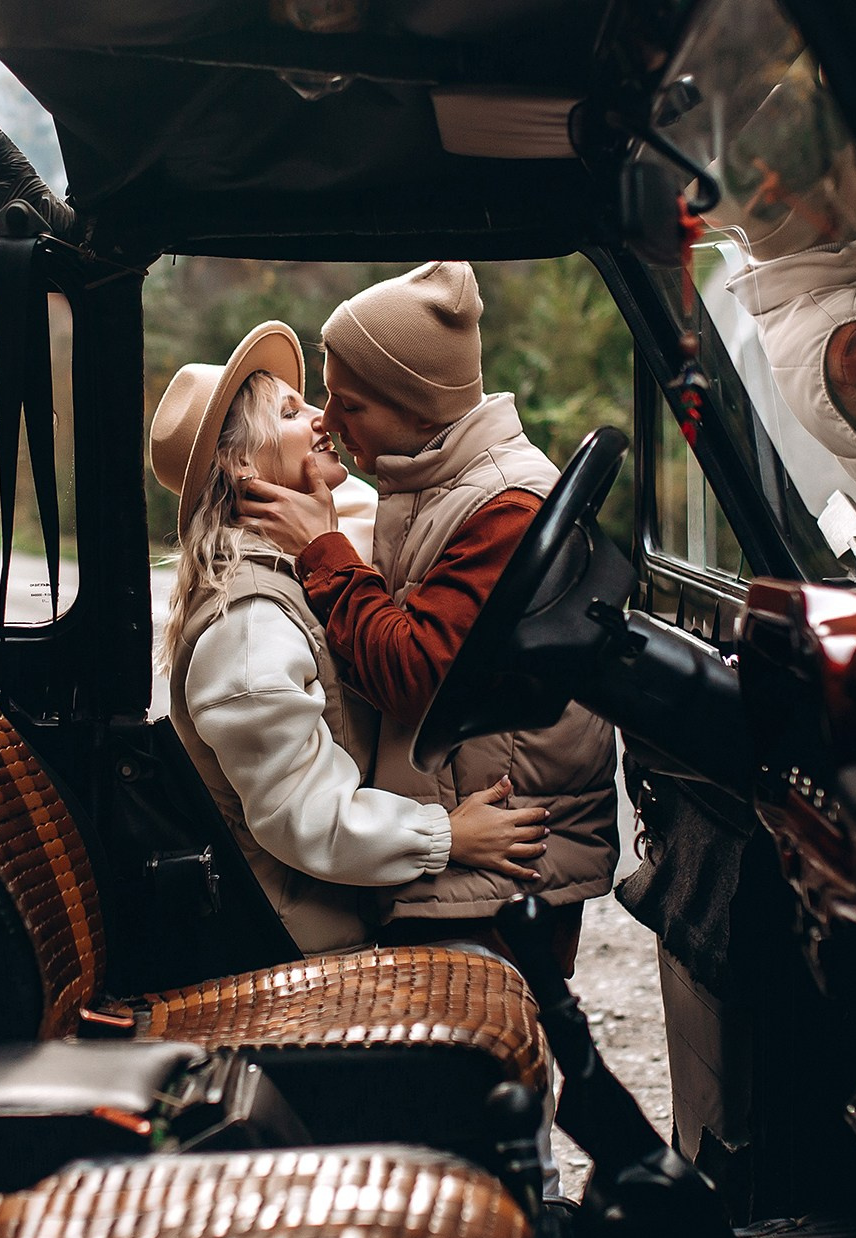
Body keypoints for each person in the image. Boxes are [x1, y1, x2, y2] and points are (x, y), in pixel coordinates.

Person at [238, 262, 618, 964]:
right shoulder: (442, 480)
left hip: (500, 866)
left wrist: (322, 551)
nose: (327, 420)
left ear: (417, 409)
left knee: (481, 1065)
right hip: (468, 853)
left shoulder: (504, 505)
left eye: (348, 403)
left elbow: (418, 675)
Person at [152, 321, 551, 954]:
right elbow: (302, 816)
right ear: (242, 464)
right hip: (300, 944)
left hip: (324, 915)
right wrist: (447, 835)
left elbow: (369, 528)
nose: (321, 418)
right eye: (290, 411)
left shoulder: (286, 571)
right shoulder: (250, 624)